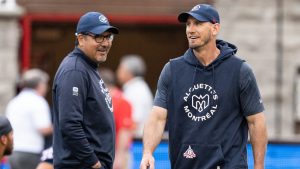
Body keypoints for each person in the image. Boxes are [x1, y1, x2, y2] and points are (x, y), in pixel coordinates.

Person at [140, 4, 268, 169]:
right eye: (188, 24)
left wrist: (259, 166)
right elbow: (157, 117)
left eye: (198, 23)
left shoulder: (240, 71)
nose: (190, 30)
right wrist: (147, 152)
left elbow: (256, 122)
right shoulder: (172, 70)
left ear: (215, 28)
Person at [52, 12, 119, 169]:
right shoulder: (75, 71)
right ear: (81, 39)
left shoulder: (87, 67)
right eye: (99, 37)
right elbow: (70, 124)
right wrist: (94, 163)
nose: (105, 43)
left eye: (108, 37)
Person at [6, 69, 53, 169]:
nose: (47, 88)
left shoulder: (14, 101)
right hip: (30, 152)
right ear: (40, 85)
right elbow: (44, 128)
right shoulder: (38, 101)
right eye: (45, 84)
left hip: (13, 152)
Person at [99, 68, 134, 169]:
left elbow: (125, 131)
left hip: (117, 154)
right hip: (107, 154)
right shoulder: (106, 100)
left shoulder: (121, 101)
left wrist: (119, 157)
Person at [116, 55, 153, 138]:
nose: (118, 71)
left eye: (120, 68)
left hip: (135, 143)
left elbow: (134, 121)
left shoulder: (136, 90)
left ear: (129, 72)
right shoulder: (136, 87)